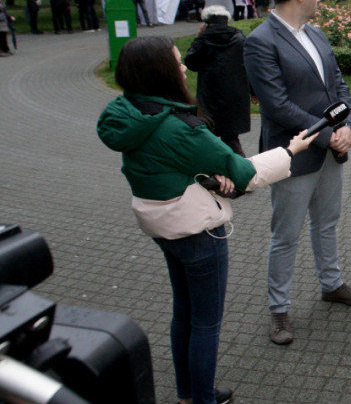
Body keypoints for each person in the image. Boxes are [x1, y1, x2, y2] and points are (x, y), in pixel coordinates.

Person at [97, 35, 318, 404]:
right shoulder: (180, 128)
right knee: (206, 322)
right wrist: (290, 150)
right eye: (175, 61)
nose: (183, 66)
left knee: (183, 312)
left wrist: (208, 178)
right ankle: (202, 399)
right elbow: (243, 172)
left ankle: (189, 392)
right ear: (159, 73)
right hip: (196, 232)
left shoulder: (128, 116)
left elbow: (173, 166)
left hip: (163, 227)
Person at [243, 0, 351, 347]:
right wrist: (328, 134)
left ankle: (331, 285)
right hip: (293, 154)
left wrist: (348, 126)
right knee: (286, 235)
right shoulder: (261, 41)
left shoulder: (316, 34)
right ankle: (278, 311)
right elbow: (276, 105)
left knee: (327, 222)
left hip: (330, 149)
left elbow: (338, 85)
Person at [184, 5, 250, 157]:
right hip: (234, 95)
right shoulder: (239, 38)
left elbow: (191, 63)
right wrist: (252, 91)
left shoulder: (204, 40)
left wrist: (197, 38)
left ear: (206, 23)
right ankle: (242, 172)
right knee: (232, 139)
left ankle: (212, 172)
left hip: (210, 95)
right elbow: (248, 65)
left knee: (208, 137)